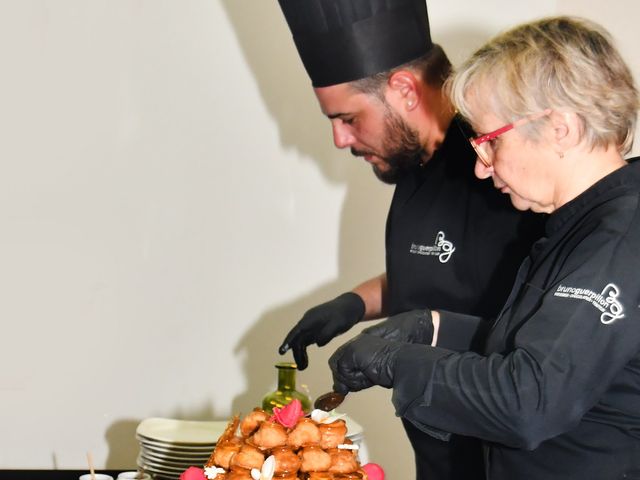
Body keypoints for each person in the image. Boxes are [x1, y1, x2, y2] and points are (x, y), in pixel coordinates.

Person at [328, 16, 640, 480]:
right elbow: (544, 347)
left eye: (490, 142)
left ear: (560, 128)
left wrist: (398, 362)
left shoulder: (618, 237)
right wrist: (432, 327)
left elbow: (527, 401)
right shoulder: (579, 225)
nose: (480, 167)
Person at [275, 1, 543, 479]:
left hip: (500, 459)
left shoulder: (505, 175)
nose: (339, 139)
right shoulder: (413, 165)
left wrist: (415, 332)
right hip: (436, 453)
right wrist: (353, 305)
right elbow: (434, 272)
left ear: (403, 90)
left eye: (348, 118)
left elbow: (541, 336)